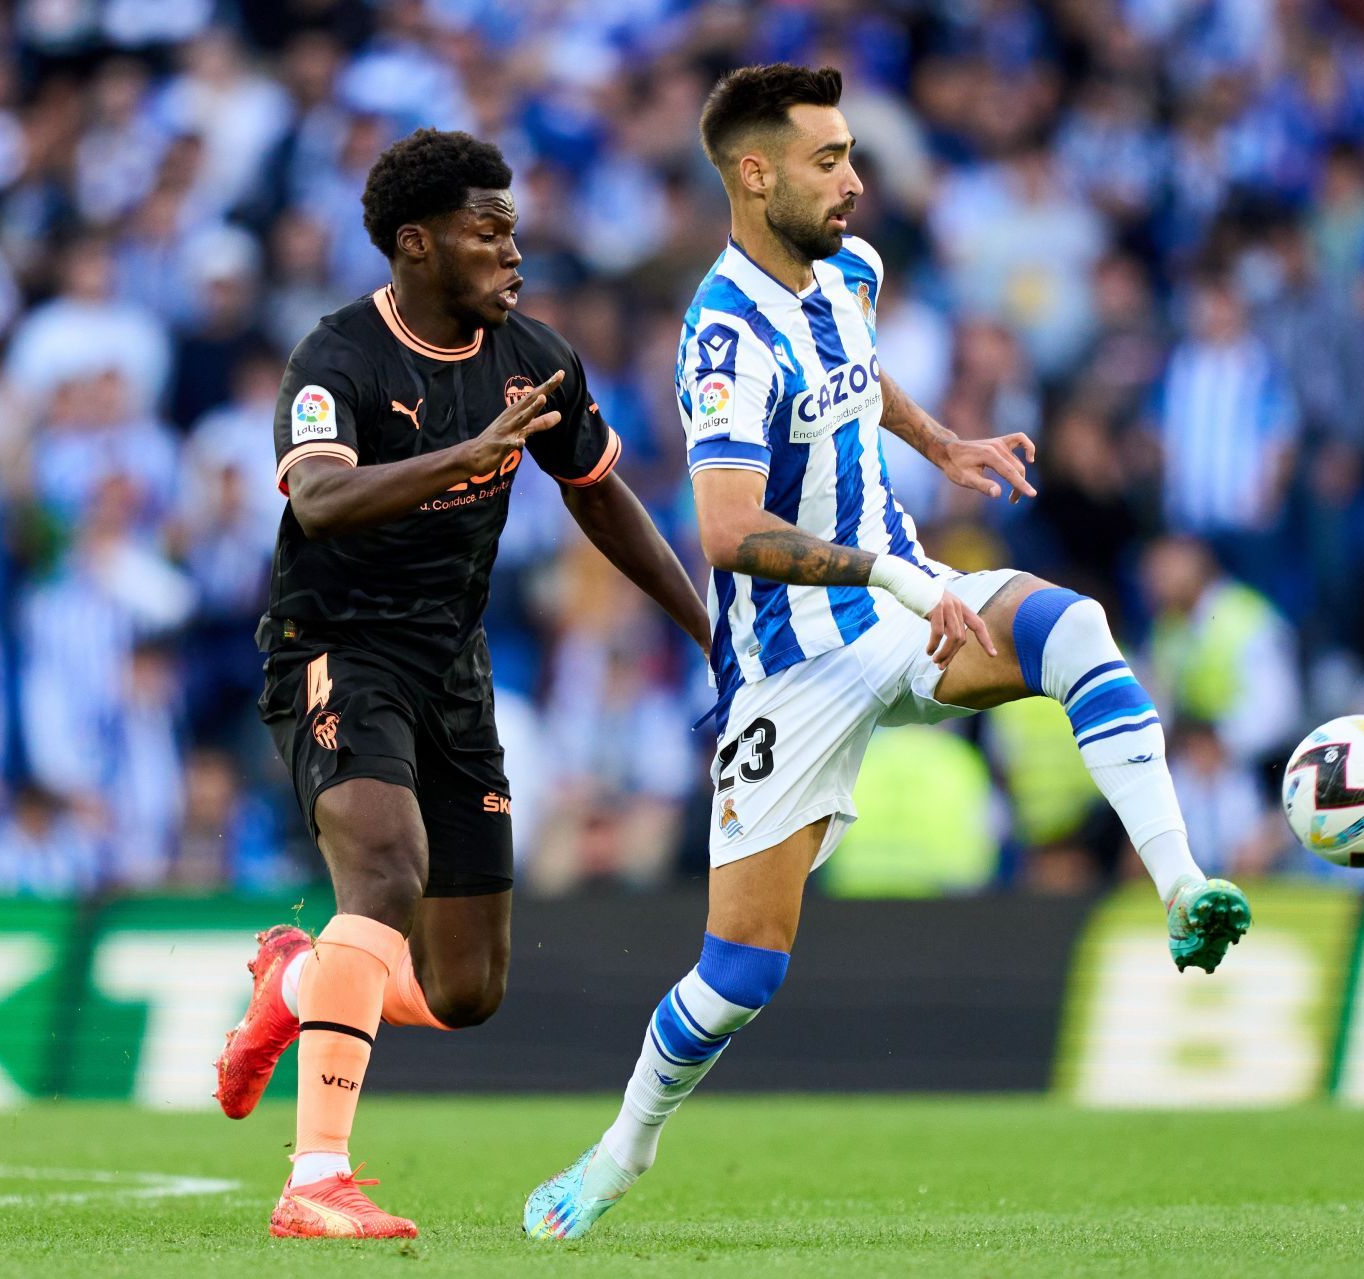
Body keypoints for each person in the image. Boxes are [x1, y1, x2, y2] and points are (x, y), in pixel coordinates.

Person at [521, 64, 1251, 1242]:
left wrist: (940, 440)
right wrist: (899, 572)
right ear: (753, 176)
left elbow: (857, 370)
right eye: (828, 161)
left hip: (906, 607)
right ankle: (620, 1150)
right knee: (738, 980)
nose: (854, 179)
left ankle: (1180, 885)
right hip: (789, 665)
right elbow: (726, 530)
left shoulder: (849, 268)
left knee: (1074, 627)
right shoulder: (721, 334)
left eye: (852, 154)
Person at [208, 128, 710, 1240]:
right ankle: (315, 1179)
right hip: (338, 648)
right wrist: (468, 453)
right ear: (416, 244)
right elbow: (321, 503)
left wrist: (707, 628)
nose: (513, 250)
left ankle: (297, 984)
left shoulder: (532, 354)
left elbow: (596, 490)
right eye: (489, 231)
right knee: (383, 870)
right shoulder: (336, 359)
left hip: (453, 668)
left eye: (515, 228)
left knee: (466, 989)